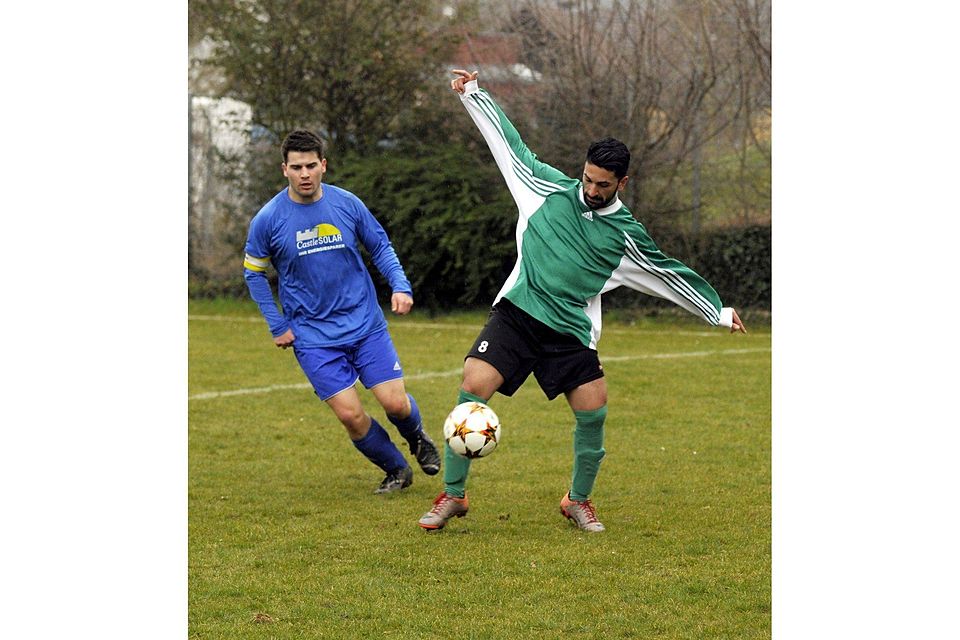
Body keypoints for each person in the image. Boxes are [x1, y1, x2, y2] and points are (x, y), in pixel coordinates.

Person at [418, 70, 746, 532]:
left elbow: (667, 273)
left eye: (603, 185)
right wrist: (473, 93)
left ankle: (578, 500)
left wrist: (717, 311)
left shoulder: (625, 235)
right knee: (474, 382)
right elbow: (509, 145)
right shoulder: (543, 188)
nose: (592, 191)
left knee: (594, 409)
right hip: (518, 313)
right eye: (589, 180)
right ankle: (452, 495)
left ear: (622, 183)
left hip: (569, 330)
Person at [243, 129, 440, 494]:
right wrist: (277, 323)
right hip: (313, 337)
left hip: (365, 324)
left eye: (311, 165)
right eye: (297, 167)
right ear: (284, 169)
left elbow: (380, 245)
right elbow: (253, 272)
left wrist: (400, 285)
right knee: (350, 415)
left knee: (395, 403)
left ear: (324, 166)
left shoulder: (347, 204)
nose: (305, 174)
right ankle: (396, 469)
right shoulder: (268, 219)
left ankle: (416, 438)